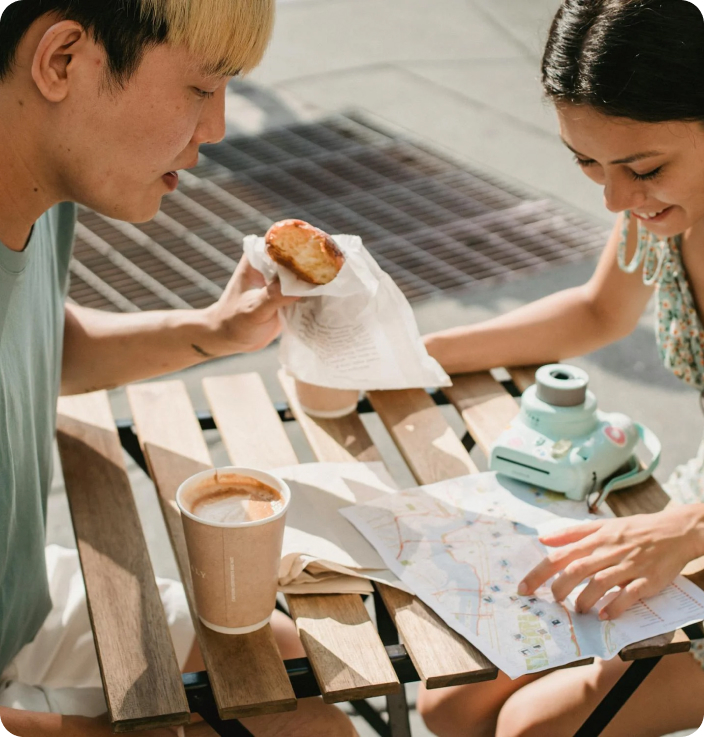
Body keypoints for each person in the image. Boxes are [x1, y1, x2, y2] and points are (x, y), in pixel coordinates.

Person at [0, 2, 357, 735]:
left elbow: (36, 342)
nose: (218, 128)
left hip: (19, 603)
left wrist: (213, 331)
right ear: (63, 59)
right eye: (202, 88)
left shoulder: (40, 190)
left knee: (300, 693)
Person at [418, 0, 704, 735]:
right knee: (449, 701)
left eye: (641, 167)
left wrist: (686, 528)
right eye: (586, 162)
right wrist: (411, 358)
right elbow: (596, 312)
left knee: (531, 728)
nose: (612, 197)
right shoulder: (662, 204)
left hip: (690, 527)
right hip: (682, 523)